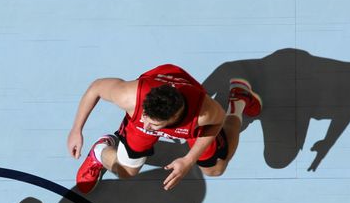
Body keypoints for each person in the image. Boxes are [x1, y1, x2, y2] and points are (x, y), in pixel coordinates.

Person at [67, 64, 262, 192]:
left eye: (155, 125)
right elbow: (96, 88)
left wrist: (188, 160)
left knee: (216, 169)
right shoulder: (130, 96)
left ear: (175, 118)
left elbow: (216, 123)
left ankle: (238, 100)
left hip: (191, 117)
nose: (146, 124)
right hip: (159, 100)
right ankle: (99, 150)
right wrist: (77, 129)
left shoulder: (203, 112)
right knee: (126, 172)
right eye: (145, 116)